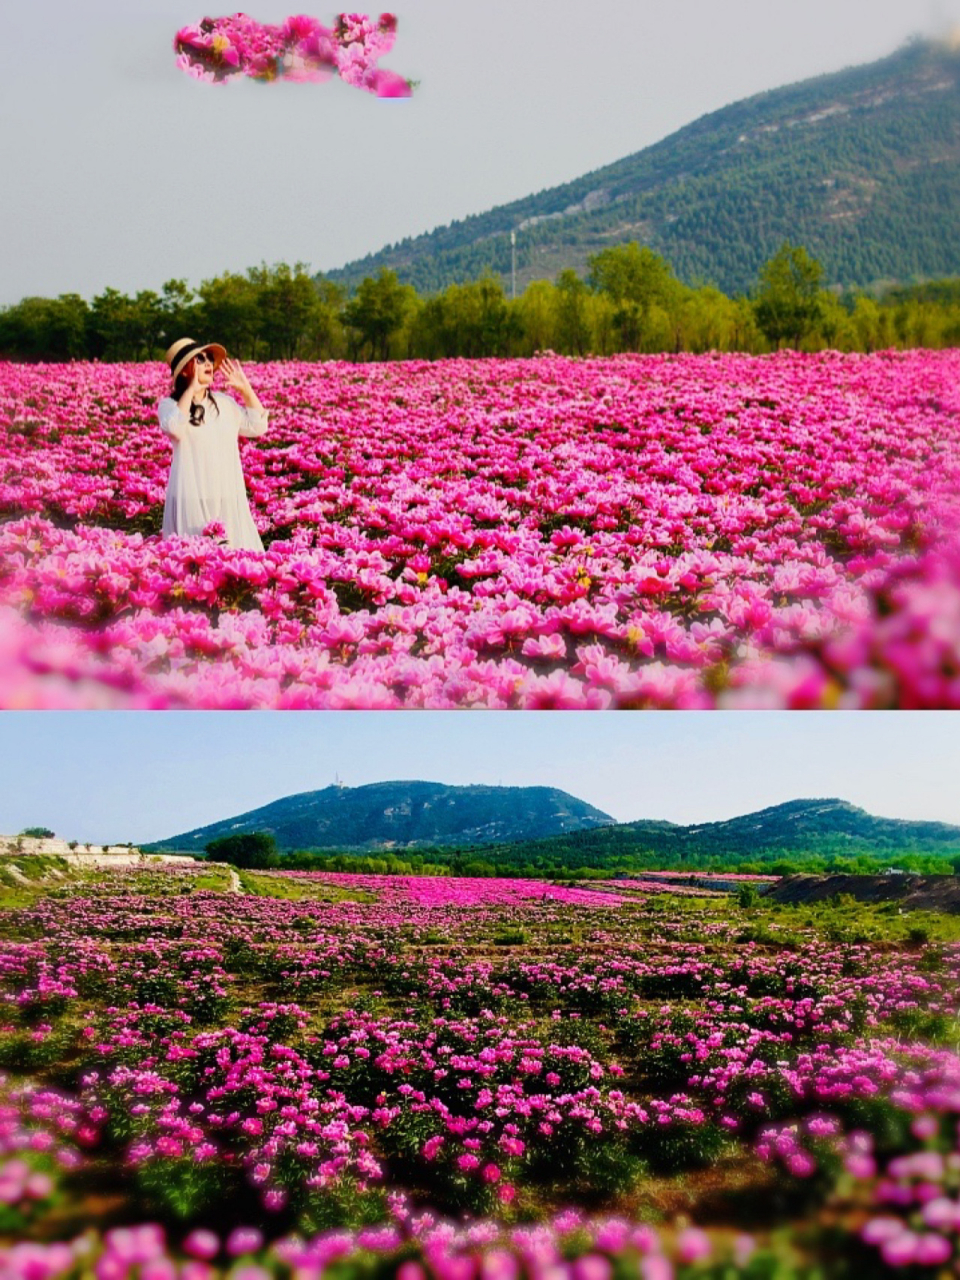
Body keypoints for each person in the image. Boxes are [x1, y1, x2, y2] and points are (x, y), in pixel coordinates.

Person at [158, 337, 269, 551]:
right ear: (184, 370)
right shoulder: (170, 405)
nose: (209, 363)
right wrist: (191, 390)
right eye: (200, 359)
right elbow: (175, 429)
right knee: (193, 562)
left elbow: (258, 426)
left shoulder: (224, 403)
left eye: (209, 358)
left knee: (232, 559)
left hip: (225, 495)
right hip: (190, 497)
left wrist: (246, 391)